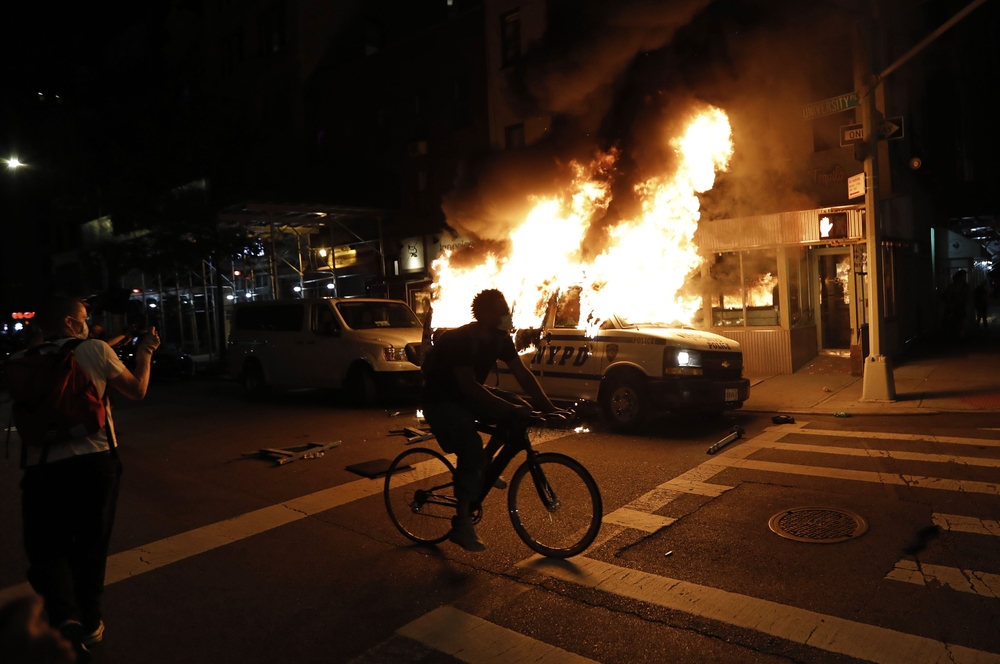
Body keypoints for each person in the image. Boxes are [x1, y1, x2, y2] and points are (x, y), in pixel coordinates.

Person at [12, 296, 159, 658]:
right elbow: (137, 389)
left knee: (48, 547)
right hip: (95, 462)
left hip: (42, 468)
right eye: (82, 317)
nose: (87, 321)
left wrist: (118, 339)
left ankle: (65, 616)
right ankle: (90, 623)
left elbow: (68, 353)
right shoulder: (94, 351)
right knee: (91, 545)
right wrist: (145, 353)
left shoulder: (21, 361)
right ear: (68, 322)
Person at [420, 289, 556, 552]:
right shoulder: (460, 340)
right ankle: (461, 524)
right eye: (501, 310)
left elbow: (522, 374)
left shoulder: (500, 339)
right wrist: (507, 408)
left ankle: (486, 460)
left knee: (520, 408)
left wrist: (549, 408)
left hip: (465, 395)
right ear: (484, 315)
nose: (507, 315)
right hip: (441, 401)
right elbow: (468, 386)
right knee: (470, 445)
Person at [942, 270, 970, 341]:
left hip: (958, 307)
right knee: (957, 322)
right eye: (963, 276)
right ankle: (957, 337)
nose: (964, 277)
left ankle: (958, 337)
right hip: (955, 307)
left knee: (959, 322)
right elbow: (948, 296)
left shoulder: (961, 286)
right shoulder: (958, 286)